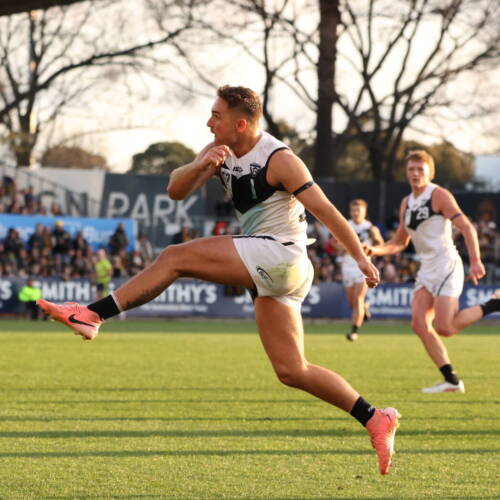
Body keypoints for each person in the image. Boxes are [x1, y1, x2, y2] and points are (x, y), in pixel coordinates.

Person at [38, 85, 400, 475]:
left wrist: (361, 257)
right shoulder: (218, 150)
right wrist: (201, 166)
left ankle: (93, 315)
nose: (209, 121)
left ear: (240, 123)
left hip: (282, 255)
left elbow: (326, 212)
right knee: (292, 370)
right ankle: (374, 417)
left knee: (175, 257)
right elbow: (176, 191)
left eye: (216, 116)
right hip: (275, 269)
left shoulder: (279, 159)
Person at [365, 150, 500, 394]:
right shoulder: (407, 202)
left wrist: (476, 261)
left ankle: (493, 304)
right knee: (419, 324)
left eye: (420, 169)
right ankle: (451, 380)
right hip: (427, 268)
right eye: (411, 169)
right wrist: (375, 249)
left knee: (445, 327)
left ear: (430, 172)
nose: (415, 174)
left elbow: (467, 228)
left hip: (446, 264)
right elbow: (398, 242)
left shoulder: (438, 195)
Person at [332, 199, 383, 341]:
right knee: (352, 303)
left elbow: (380, 245)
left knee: (358, 298)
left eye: (358, 210)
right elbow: (334, 244)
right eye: (353, 210)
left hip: (363, 267)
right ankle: (364, 308)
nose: (355, 213)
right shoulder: (345, 225)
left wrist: (375, 242)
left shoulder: (370, 228)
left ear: (364, 212)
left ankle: (354, 332)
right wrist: (342, 247)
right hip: (347, 266)